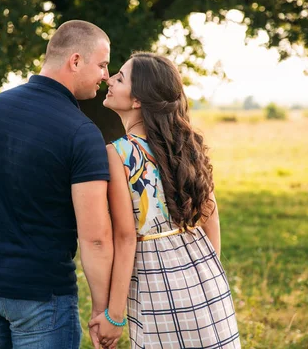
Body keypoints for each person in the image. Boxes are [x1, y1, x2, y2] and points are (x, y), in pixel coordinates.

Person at [0, 20, 114, 349]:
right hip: (40, 296)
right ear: (75, 61)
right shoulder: (81, 133)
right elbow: (95, 238)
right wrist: (103, 309)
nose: (105, 75)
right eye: (102, 64)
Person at [90, 52, 241, 348]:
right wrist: (208, 270)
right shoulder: (186, 144)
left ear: (138, 101)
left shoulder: (119, 153)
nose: (109, 79)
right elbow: (210, 214)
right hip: (205, 271)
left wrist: (115, 316)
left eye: (119, 78)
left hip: (156, 276)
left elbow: (125, 237)